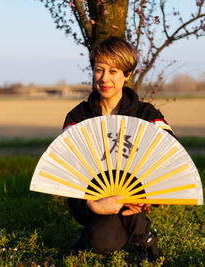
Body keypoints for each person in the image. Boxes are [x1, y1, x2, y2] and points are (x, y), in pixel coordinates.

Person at [62, 36, 176, 263]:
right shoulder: (78, 117)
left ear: (127, 74)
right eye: (99, 70)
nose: (104, 79)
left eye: (113, 71)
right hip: (94, 204)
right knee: (101, 242)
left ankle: (144, 238)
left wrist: (146, 198)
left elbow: (170, 156)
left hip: (134, 203)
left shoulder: (146, 114)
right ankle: (129, 237)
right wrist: (91, 205)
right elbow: (68, 172)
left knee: (107, 235)